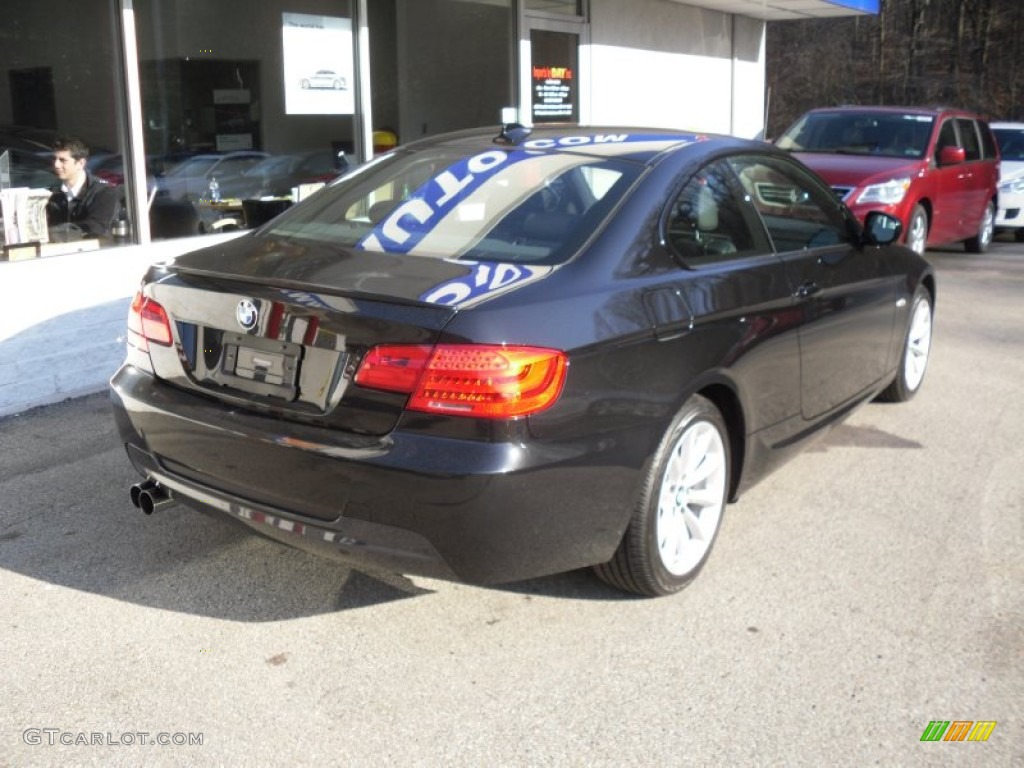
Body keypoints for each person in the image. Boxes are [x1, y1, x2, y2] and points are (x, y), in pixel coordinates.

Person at [46, 136, 120, 239]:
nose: (56, 165)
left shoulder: (103, 192)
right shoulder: (52, 194)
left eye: (63, 160)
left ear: (81, 163)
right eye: (54, 159)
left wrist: (57, 232)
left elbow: (95, 227)